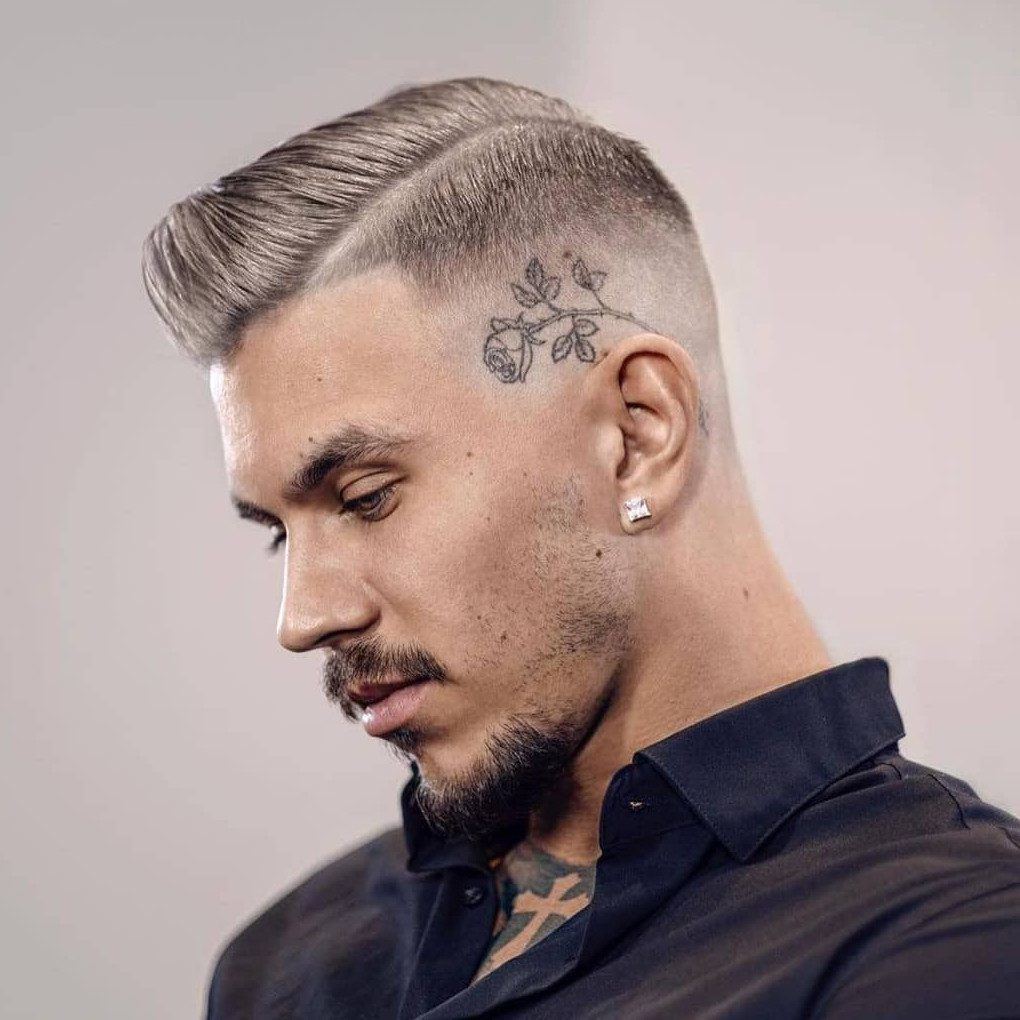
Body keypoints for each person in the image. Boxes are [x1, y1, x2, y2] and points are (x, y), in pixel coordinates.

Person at [142, 77, 1020, 1019]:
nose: (305, 618)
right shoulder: (283, 965)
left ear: (637, 434)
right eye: (279, 532)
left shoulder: (952, 945)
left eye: (366, 497)